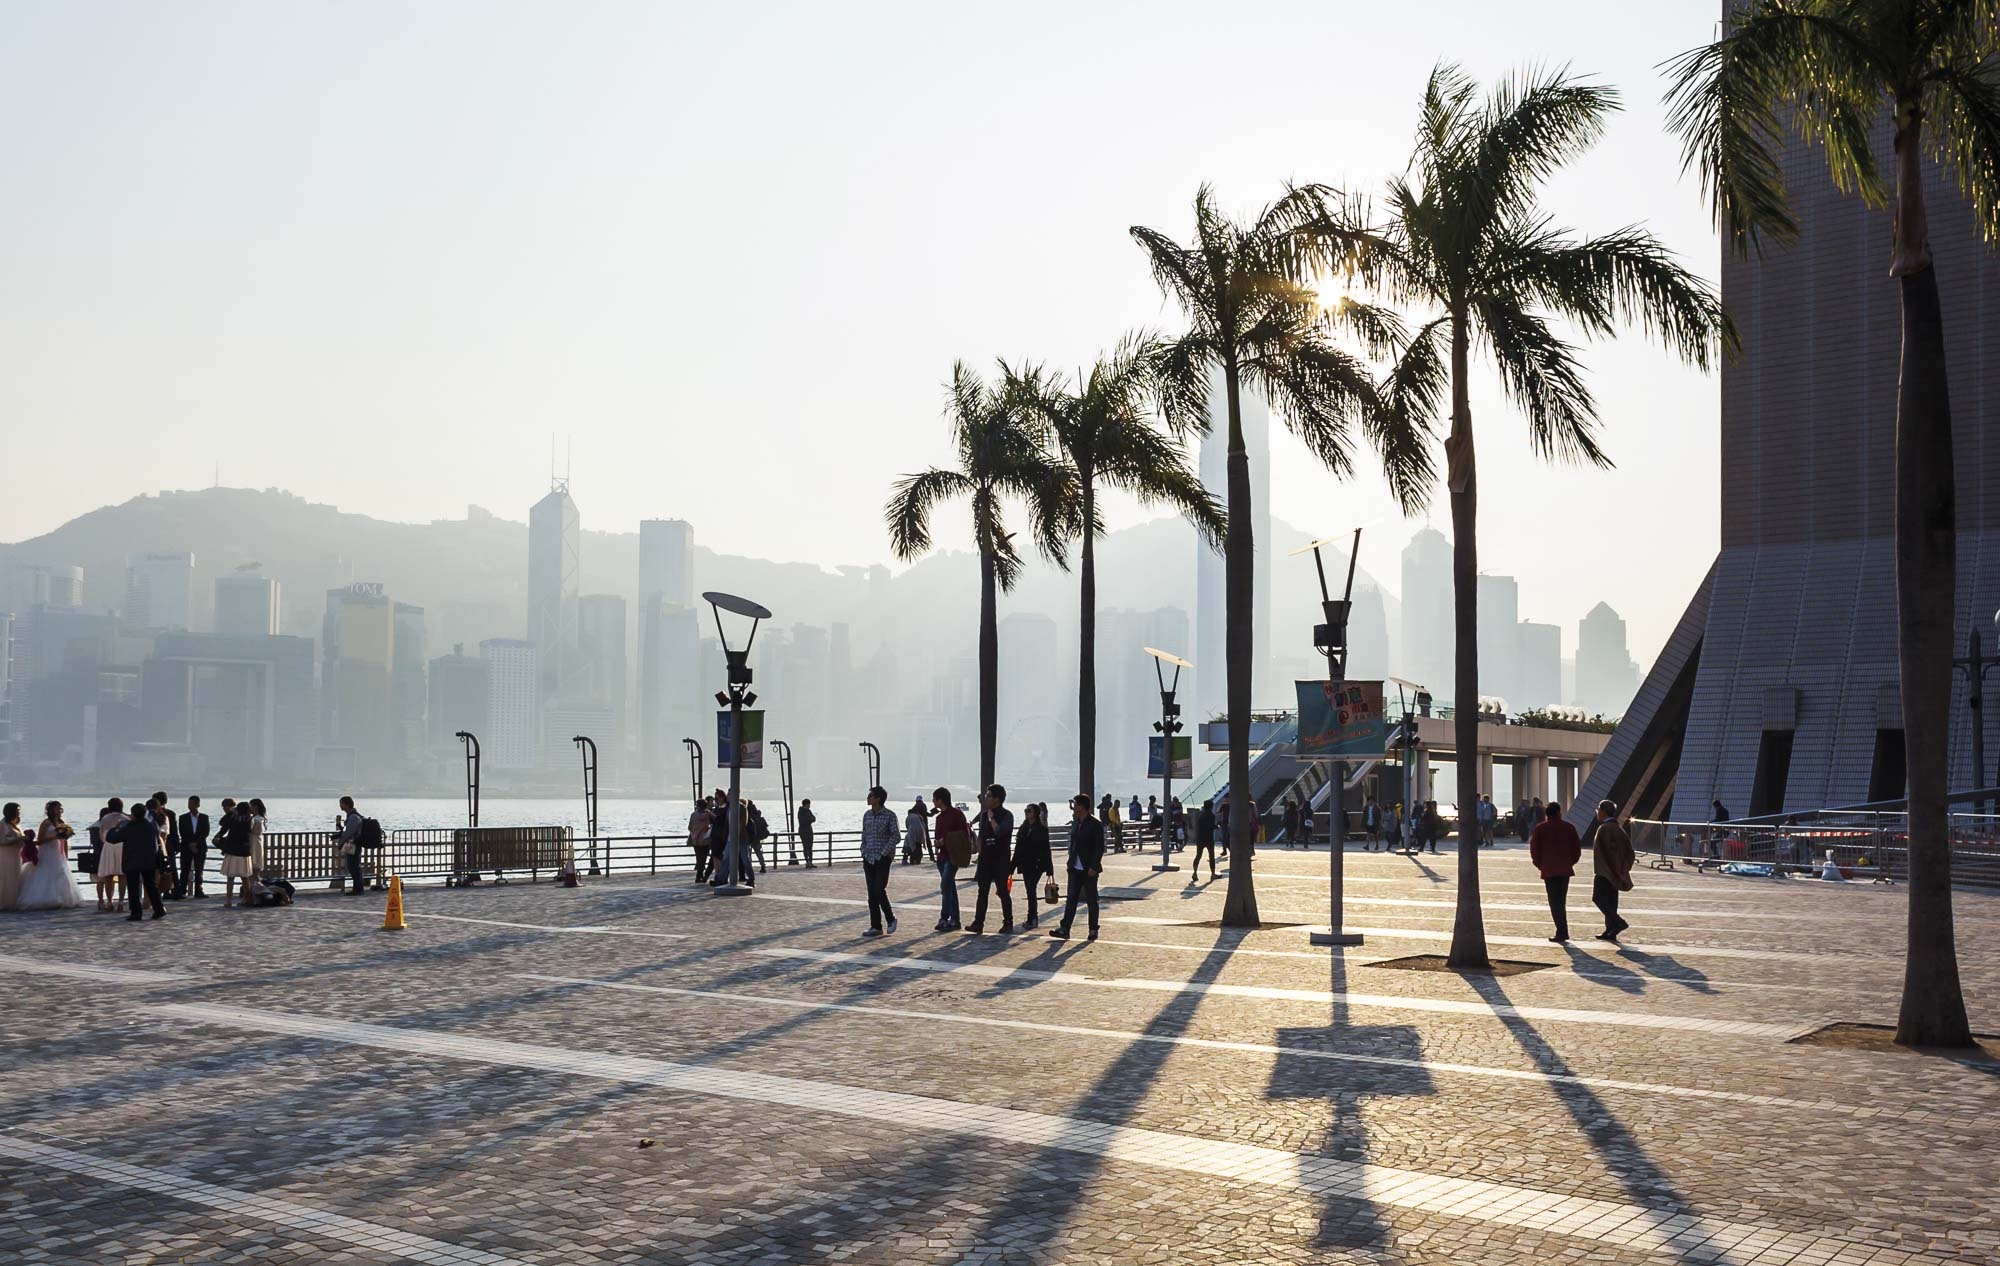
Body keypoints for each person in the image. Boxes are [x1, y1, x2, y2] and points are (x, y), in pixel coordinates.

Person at [1050, 794, 1104, 941]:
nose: (1073, 807)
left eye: (1075, 804)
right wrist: (1070, 863)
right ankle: (1064, 928)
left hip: (1089, 869)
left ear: (1082, 806)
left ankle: (1093, 929)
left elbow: (1099, 847)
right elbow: (1073, 844)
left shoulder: (1095, 824)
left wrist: (1094, 865)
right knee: (1071, 899)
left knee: (1091, 900)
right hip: (1074, 868)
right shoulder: (1076, 823)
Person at [1527, 802, 1582, 942]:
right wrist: (1570, 862)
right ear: (1559, 812)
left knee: (1554, 902)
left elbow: (1534, 850)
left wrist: (1540, 865)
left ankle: (1561, 931)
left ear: (1546, 814)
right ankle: (1562, 930)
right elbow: (1576, 849)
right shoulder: (1569, 828)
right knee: (1561, 901)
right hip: (1564, 870)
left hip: (1549, 870)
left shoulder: (1540, 829)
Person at [967, 783, 1015, 934]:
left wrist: (991, 818)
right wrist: (979, 852)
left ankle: (1008, 922)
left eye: (988, 796)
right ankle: (978, 923)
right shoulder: (983, 815)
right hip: (985, 859)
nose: (985, 799)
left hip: (1001, 859)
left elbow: (1000, 832)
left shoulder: (1007, 815)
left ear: (997, 799)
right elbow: (981, 836)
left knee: (1002, 891)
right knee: (982, 892)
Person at [18, 801, 81, 911]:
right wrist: (54, 837)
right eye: (57, 809)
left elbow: (64, 840)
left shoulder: (61, 822)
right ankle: (45, 899)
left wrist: (65, 853)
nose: (59, 811)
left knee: (61, 873)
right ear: (51, 810)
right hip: (47, 851)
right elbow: (40, 840)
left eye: (60, 808)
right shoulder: (46, 823)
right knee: (46, 873)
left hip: (59, 852)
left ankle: (61, 898)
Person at [1591, 800, 1635, 943]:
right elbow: (1630, 853)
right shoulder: (1619, 828)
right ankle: (1611, 930)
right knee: (1611, 901)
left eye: (1598, 809)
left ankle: (1618, 922)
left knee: (1598, 898)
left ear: (1603, 811)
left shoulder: (1605, 829)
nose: (1597, 812)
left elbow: (1609, 853)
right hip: (1616, 873)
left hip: (1605, 872)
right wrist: (1623, 869)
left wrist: (1614, 869)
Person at [858, 786, 899, 936]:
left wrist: (883, 853)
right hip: (868, 858)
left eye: (871, 796)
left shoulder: (889, 816)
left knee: (879, 890)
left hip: (882, 859)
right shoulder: (867, 815)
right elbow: (864, 834)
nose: (868, 798)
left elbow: (896, 836)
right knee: (871, 894)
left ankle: (891, 919)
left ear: (878, 799)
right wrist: (863, 850)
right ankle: (875, 926)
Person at [118, 795, 166, 921]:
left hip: (132, 861)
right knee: (151, 886)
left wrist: (115, 828)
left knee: (133, 888)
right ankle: (159, 909)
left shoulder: (128, 827)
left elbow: (112, 838)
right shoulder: (152, 826)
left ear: (133, 814)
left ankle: (136, 913)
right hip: (149, 860)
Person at [931, 787, 969, 931]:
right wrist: (938, 842)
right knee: (949, 887)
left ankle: (944, 918)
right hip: (942, 856)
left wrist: (945, 840)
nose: (933, 801)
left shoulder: (957, 814)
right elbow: (937, 836)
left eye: (934, 799)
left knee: (945, 885)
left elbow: (963, 834)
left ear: (940, 800)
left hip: (953, 856)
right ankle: (955, 919)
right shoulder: (939, 818)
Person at [1012, 801, 1054, 928]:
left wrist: (1049, 868)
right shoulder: (1023, 828)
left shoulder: (1041, 830)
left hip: (1037, 864)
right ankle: (1032, 917)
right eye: (1025, 810)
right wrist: (1012, 865)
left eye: (1029, 810)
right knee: (1029, 890)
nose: (1026, 812)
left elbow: (1046, 849)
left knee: (1031, 889)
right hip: (1025, 864)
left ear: (1035, 813)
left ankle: (1032, 917)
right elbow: (1018, 848)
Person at [93, 798, 129, 913]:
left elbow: (101, 834)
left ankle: (109, 901)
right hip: (122, 846)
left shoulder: (105, 818)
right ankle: (121, 902)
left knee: (109, 876)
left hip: (108, 846)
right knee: (122, 875)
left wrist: (107, 841)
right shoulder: (125, 818)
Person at [216, 801, 255, 907]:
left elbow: (222, 822)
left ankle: (229, 901)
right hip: (244, 851)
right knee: (245, 877)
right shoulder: (249, 820)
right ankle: (248, 899)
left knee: (230, 878)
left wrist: (230, 813)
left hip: (232, 850)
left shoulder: (233, 818)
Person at [177, 796, 211, 899]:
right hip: (186, 847)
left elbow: (205, 832)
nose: (190, 806)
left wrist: (196, 843)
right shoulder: (183, 817)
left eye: (192, 803)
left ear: (198, 804)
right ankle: (182, 889)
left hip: (200, 847)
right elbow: (182, 832)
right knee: (184, 869)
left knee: (199, 869)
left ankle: (198, 890)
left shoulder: (204, 817)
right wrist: (190, 843)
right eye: (189, 803)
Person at [0, 802, 23, 911]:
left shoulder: (15, 823)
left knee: (16, 876)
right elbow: (2, 841)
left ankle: (15, 900)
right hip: (6, 855)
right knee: (7, 877)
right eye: (17, 810)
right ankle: (5, 902)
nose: (19, 812)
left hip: (16, 854)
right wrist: (18, 839)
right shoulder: (2, 824)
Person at [1191, 799, 1218, 881]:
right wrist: (1217, 826)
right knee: (1211, 856)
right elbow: (1211, 826)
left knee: (1198, 856)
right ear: (1211, 807)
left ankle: (1195, 872)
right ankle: (1213, 874)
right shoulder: (1211, 816)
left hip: (1200, 838)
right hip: (1209, 838)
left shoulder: (1201, 816)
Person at [688, 797, 714, 882]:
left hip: (695, 839)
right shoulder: (707, 815)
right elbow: (715, 819)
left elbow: (690, 827)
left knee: (699, 858)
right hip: (705, 839)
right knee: (704, 858)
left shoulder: (693, 815)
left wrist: (695, 831)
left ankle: (699, 876)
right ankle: (700, 875)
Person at [903, 797, 930, 865]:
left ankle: (907, 859)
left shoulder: (910, 816)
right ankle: (918, 859)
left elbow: (907, 825)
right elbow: (923, 822)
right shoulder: (919, 815)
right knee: (919, 845)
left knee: (908, 843)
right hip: (922, 830)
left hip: (912, 832)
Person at [797, 798, 817, 867]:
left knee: (810, 847)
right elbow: (803, 821)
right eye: (808, 805)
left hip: (809, 830)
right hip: (803, 831)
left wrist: (810, 819)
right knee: (805, 846)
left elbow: (814, 818)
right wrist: (810, 819)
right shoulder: (801, 812)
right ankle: (807, 862)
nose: (809, 806)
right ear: (805, 805)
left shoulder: (809, 811)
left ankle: (810, 862)